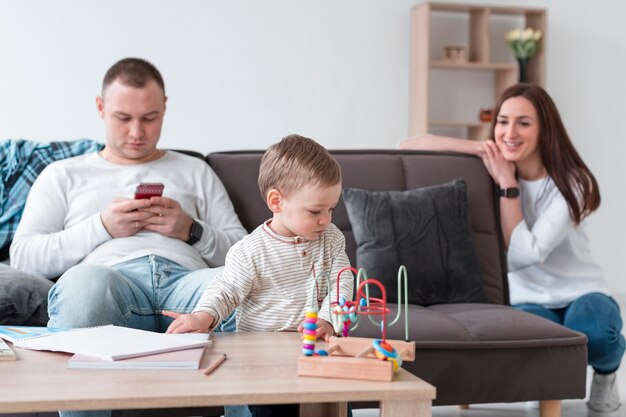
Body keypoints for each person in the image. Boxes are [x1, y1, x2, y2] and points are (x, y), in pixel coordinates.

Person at [9, 57, 247, 417]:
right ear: (101, 108)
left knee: (247, 288)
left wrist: (191, 230)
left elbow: (248, 254)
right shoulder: (64, 174)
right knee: (85, 285)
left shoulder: (194, 170)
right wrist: (101, 227)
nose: (137, 132)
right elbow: (24, 255)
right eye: (123, 118)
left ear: (165, 108)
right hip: (108, 286)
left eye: (149, 118)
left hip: (190, 288)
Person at [400, 83, 625, 417]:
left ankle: (606, 376)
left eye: (523, 123)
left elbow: (525, 255)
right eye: (503, 121)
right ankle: (547, 382)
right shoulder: (493, 164)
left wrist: (508, 186)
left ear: (545, 130)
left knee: (596, 335)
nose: (510, 132)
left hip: (582, 292)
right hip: (526, 297)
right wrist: (484, 149)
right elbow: (408, 146)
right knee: (535, 349)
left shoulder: (574, 183)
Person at [164, 134, 354, 417]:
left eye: (331, 209)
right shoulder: (250, 251)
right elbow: (227, 288)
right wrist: (204, 316)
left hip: (316, 354)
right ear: (276, 201)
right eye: (315, 211)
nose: (326, 219)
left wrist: (328, 320)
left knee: (336, 411)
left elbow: (343, 282)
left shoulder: (331, 239)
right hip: (264, 362)